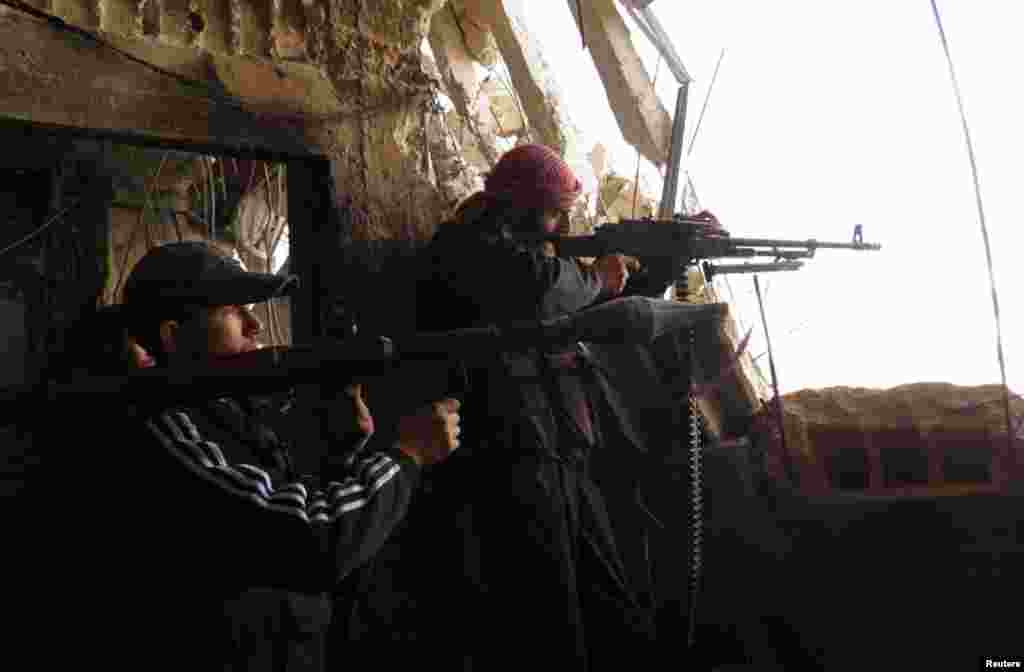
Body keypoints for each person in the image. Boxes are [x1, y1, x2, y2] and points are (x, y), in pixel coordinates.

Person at [36, 240, 461, 671]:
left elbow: (292, 508)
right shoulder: (161, 424)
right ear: (173, 335)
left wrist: (343, 447)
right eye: (233, 309)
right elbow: (310, 542)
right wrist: (408, 455)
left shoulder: (228, 410)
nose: (255, 324)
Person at [412, 143, 654, 670]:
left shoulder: (515, 250)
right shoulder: (466, 247)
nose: (562, 227)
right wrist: (598, 278)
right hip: (508, 453)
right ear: (522, 208)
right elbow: (539, 290)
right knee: (550, 617)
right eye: (555, 213)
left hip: (553, 446)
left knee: (612, 598)